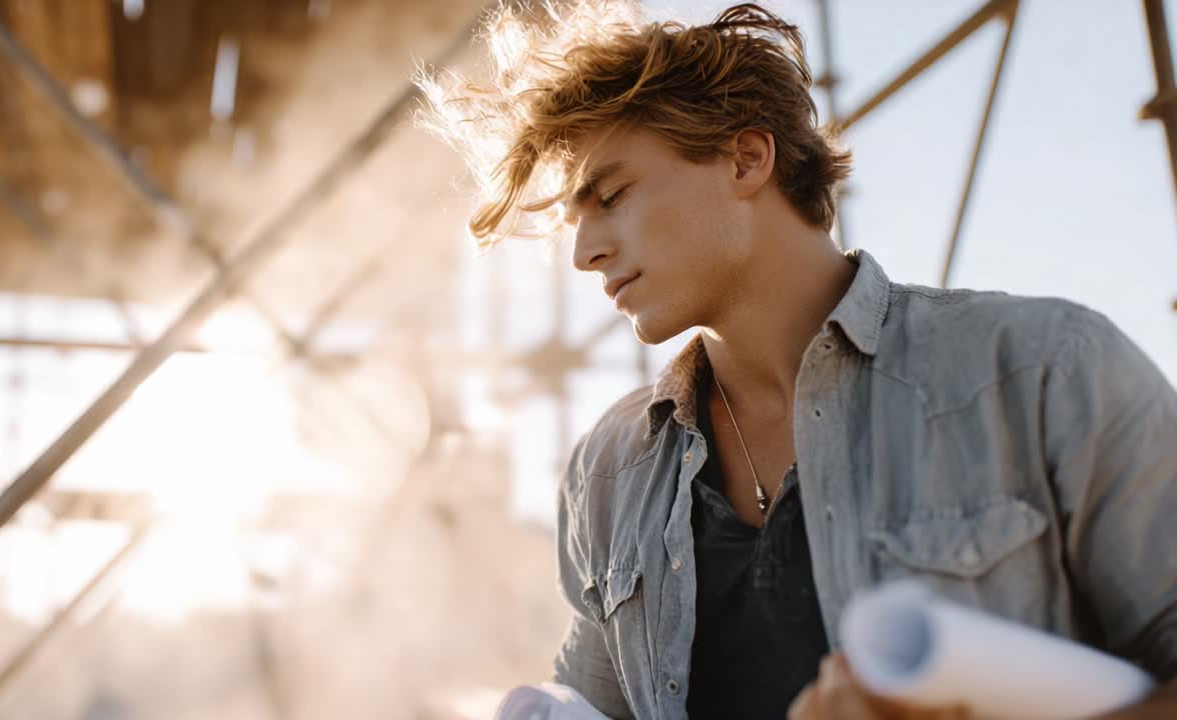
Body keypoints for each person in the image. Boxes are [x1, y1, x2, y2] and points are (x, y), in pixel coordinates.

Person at [416, 3, 1177, 718]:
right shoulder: (608, 474)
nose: (584, 253)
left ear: (746, 159)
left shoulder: (1042, 371)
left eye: (610, 195)